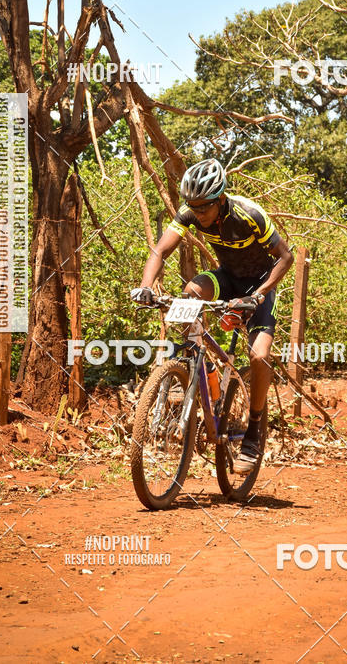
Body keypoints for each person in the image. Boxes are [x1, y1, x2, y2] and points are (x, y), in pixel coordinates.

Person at [131, 159, 294, 474]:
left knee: (259, 357)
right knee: (191, 293)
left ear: (220, 199)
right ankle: (196, 364)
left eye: (204, 207)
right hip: (226, 278)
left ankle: (254, 432)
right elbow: (160, 250)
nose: (198, 214)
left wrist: (257, 295)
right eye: (192, 206)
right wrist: (145, 286)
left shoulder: (250, 215)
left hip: (259, 286)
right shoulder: (192, 211)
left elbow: (286, 258)